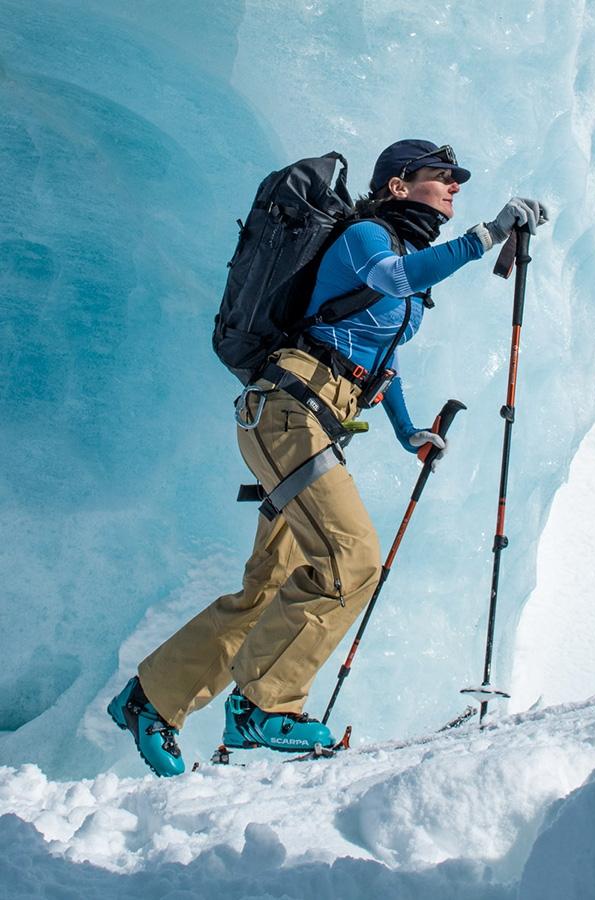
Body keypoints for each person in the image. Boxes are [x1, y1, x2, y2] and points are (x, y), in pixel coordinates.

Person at [108, 139, 547, 776]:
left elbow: (380, 365)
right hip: (290, 413)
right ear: (398, 185)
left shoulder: (402, 254)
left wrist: (407, 432)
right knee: (351, 559)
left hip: (302, 419)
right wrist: (487, 235)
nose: (454, 187)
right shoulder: (367, 236)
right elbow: (395, 282)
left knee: (270, 588)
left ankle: (152, 701)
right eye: (441, 177)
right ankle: (265, 707)